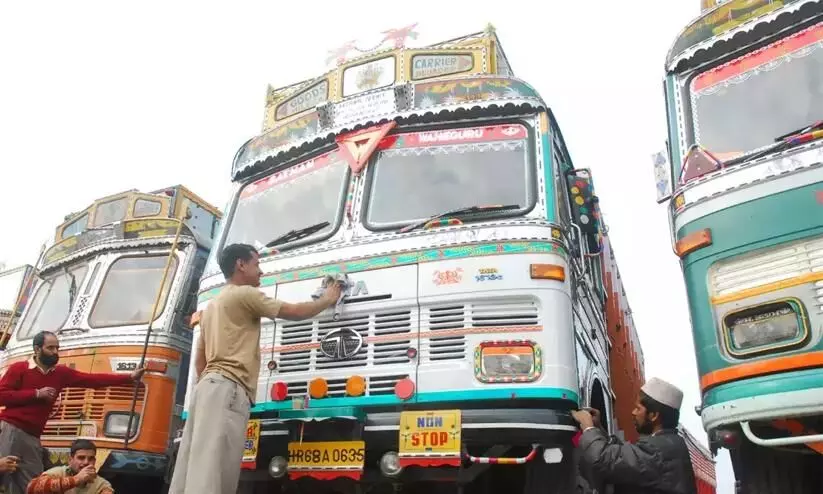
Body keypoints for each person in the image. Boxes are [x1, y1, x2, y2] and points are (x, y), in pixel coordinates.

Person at [169, 243, 343, 494]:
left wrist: (209, 390)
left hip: (206, 389)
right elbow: (293, 312)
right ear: (241, 265)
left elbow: (200, 362)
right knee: (216, 474)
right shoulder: (244, 294)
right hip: (228, 389)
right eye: (256, 264)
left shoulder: (212, 306)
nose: (260, 271)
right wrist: (327, 298)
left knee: (194, 470)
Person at [0, 332, 144, 494]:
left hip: (33, 436)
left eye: (57, 348)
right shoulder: (19, 368)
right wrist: (36, 393)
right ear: (37, 349)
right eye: (50, 348)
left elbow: (92, 380)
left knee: (33, 483)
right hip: (11, 429)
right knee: (6, 475)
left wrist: (129, 377)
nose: (55, 352)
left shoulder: (60, 373)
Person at [571, 377, 698, 494]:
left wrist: (588, 427)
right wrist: (598, 428)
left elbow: (604, 459)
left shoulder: (657, 451)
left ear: (653, 416)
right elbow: (626, 457)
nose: (633, 412)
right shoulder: (667, 444)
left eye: (638, 408)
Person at [26, 439, 112, 494]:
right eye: (81, 458)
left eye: (91, 459)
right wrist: (76, 479)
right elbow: (32, 488)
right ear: (70, 460)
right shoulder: (58, 473)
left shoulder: (102, 484)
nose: (86, 462)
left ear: (95, 461)